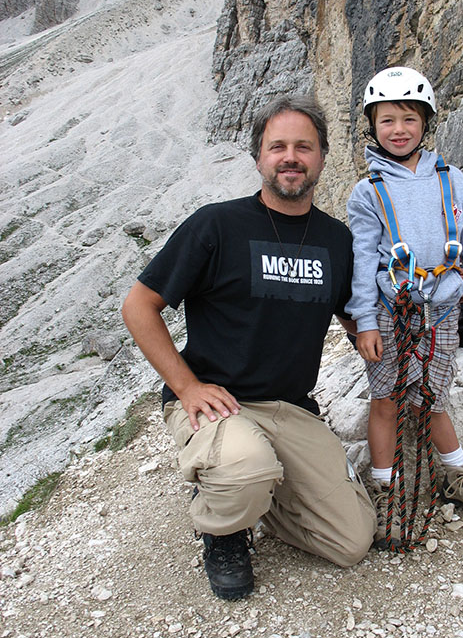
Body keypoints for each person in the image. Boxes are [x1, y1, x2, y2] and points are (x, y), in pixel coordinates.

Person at [121, 95, 377, 601]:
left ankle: (253, 491)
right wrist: (186, 387)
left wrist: (441, 296)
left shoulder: (337, 241)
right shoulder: (216, 225)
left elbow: (356, 316)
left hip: (292, 408)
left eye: (304, 146)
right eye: (277, 146)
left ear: (322, 157)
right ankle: (225, 528)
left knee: (351, 541)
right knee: (245, 468)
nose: (290, 157)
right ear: (258, 156)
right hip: (219, 402)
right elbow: (139, 306)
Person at [346, 66, 463, 548]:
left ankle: (456, 475)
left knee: (433, 397)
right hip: (391, 311)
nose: (398, 130)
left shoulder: (453, 182)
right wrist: (364, 320)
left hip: (442, 309)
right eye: (387, 120)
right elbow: (362, 261)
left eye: (409, 119)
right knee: (386, 399)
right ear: (372, 125)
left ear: (426, 123)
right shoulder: (368, 191)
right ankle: (386, 489)